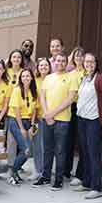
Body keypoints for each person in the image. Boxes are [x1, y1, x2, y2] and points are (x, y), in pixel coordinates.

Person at [73, 52, 102, 199]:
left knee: (93, 154)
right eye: (86, 61)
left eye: (92, 62)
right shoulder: (85, 78)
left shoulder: (101, 78)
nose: (89, 64)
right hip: (82, 119)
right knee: (84, 152)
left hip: (94, 121)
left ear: (96, 63)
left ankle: (96, 187)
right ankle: (86, 182)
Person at [33, 52, 77, 190]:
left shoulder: (71, 78)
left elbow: (70, 99)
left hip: (62, 120)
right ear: (54, 62)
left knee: (60, 150)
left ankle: (58, 180)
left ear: (66, 63)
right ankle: (45, 177)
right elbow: (42, 97)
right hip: (47, 119)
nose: (60, 63)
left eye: (63, 61)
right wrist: (47, 114)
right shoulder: (48, 78)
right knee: (47, 149)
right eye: (58, 61)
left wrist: (53, 113)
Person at [6, 69, 38, 185]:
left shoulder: (34, 91)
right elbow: (16, 110)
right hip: (15, 121)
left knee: (28, 151)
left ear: (31, 78)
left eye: (28, 76)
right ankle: (12, 171)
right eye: (23, 76)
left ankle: (14, 171)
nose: (25, 78)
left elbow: (34, 110)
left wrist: (32, 126)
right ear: (20, 78)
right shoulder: (17, 90)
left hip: (28, 122)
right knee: (26, 150)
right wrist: (22, 128)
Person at [65, 46, 85, 185]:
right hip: (71, 108)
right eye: (76, 56)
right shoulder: (70, 74)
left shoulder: (87, 73)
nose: (78, 59)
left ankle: (80, 174)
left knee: (82, 142)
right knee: (68, 140)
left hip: (83, 108)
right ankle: (66, 170)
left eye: (81, 56)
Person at [29, 57, 51, 180]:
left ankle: (46, 170)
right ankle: (37, 170)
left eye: (46, 65)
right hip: (37, 117)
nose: (43, 67)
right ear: (38, 68)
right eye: (41, 65)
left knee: (47, 146)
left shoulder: (52, 79)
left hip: (50, 116)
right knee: (37, 145)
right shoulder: (35, 80)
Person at [6, 49, 25, 173]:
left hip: (19, 110)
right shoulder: (6, 72)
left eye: (19, 57)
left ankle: (16, 164)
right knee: (9, 140)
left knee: (18, 140)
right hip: (5, 108)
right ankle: (9, 164)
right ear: (10, 59)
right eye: (14, 57)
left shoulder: (24, 72)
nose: (16, 59)